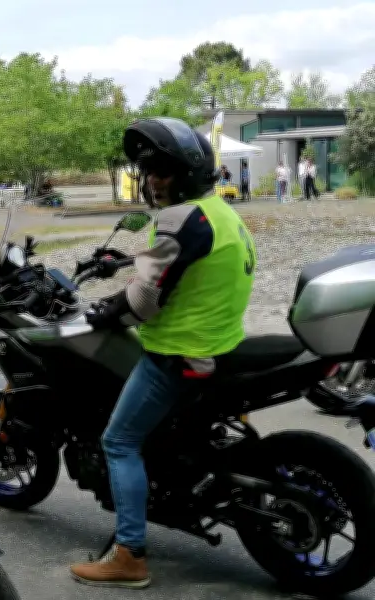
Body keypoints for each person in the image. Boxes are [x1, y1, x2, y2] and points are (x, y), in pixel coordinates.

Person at [69, 116, 257, 589]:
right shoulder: (219, 214)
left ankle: (129, 555)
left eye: (161, 172)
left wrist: (103, 313)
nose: (151, 180)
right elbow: (185, 265)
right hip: (220, 346)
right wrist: (132, 263)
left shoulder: (180, 219)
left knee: (119, 441)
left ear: (186, 174)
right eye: (149, 172)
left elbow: (142, 304)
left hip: (178, 355)